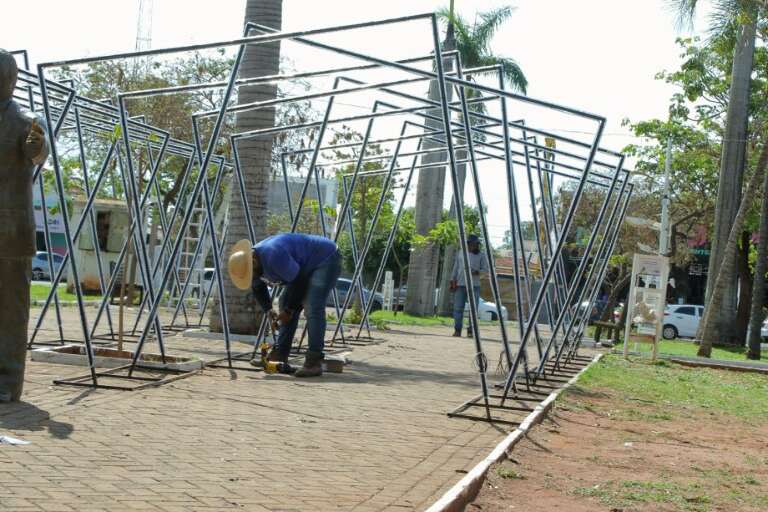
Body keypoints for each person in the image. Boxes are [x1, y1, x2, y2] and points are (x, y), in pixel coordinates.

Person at [0, 49, 50, 402]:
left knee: (11, 312)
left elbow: (38, 154)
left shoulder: (26, 121)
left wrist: (38, 147)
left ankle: (6, 383)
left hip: (11, 233)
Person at [227, 233, 342, 377]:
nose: (253, 277)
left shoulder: (273, 255)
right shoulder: (251, 262)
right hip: (303, 268)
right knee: (284, 302)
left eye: (252, 274)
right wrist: (269, 310)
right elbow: (257, 286)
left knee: (313, 307)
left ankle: (314, 362)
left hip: (325, 258)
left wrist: (289, 311)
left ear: (254, 263)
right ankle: (279, 355)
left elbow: (299, 281)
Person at [449, 234, 488, 337]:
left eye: (475, 244)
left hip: (474, 285)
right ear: (467, 244)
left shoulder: (481, 255)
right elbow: (456, 268)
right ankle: (457, 330)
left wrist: (476, 272)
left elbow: (485, 270)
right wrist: (452, 280)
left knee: (473, 309)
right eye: (471, 244)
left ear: (477, 245)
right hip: (460, 284)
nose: (472, 246)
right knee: (458, 308)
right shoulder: (461, 253)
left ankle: (470, 331)